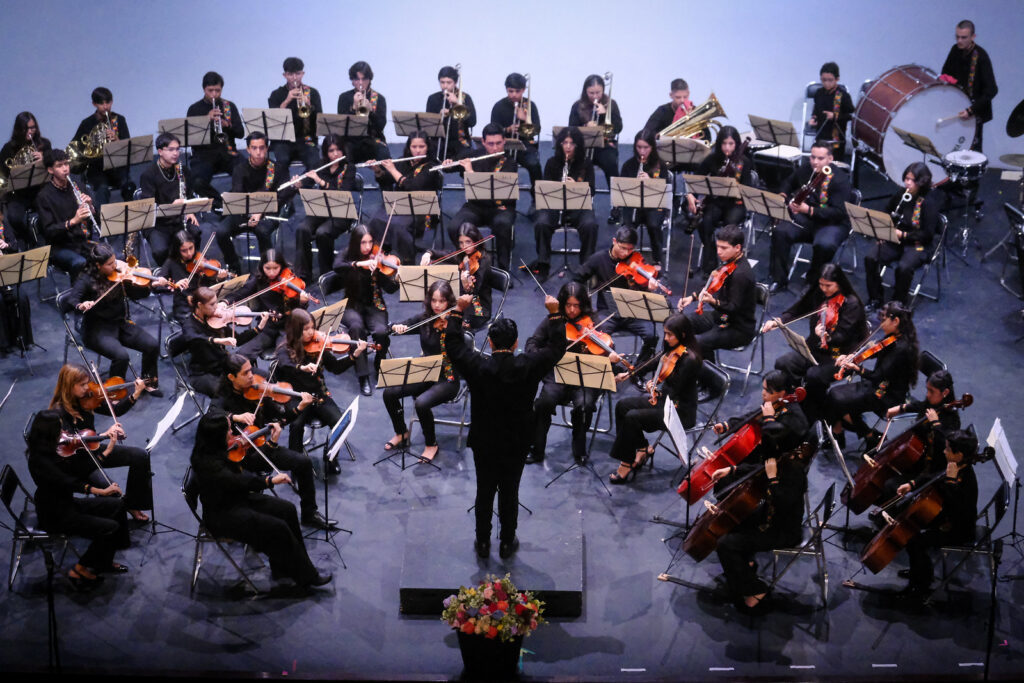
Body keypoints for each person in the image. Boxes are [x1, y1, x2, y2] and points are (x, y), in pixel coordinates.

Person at [446, 292, 565, 559]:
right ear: (516, 343)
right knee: (510, 491)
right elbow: (557, 348)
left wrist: (458, 310)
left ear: (490, 342)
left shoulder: (478, 366)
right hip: (517, 440)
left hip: (485, 440)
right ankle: (507, 542)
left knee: (484, 491)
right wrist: (555, 314)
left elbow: (453, 346)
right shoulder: (528, 366)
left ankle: (483, 541)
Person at [189, 411, 332, 590]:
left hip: (234, 499)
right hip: (222, 515)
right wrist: (269, 481)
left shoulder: (218, 450)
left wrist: (271, 444)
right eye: (229, 430)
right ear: (217, 436)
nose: (233, 433)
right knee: (278, 527)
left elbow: (251, 466)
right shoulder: (208, 463)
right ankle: (307, 576)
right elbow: (240, 481)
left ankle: (284, 569)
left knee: (287, 509)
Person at [708, 370, 810, 612]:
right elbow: (763, 466)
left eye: (767, 390)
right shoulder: (782, 457)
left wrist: (771, 478)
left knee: (726, 544)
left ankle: (756, 589)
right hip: (769, 516)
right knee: (731, 520)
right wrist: (733, 470)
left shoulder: (793, 470)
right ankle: (746, 566)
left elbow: (780, 502)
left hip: (781, 528)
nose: (762, 394)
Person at [212, 354, 336, 530]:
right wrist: (234, 417)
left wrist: (299, 407)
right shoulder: (223, 397)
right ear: (231, 377)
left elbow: (282, 419)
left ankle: (309, 514)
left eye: (251, 370)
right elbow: (211, 415)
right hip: (239, 456)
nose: (251, 376)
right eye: (245, 373)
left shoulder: (257, 392)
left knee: (304, 462)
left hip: (261, 446)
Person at [27, 409, 130, 591]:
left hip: (66, 503)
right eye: (59, 429)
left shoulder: (52, 450)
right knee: (110, 528)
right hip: (55, 514)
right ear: (49, 433)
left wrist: (108, 449)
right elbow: (69, 482)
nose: (63, 433)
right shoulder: (40, 461)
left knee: (117, 505)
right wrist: (101, 490)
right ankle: (79, 569)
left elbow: (80, 471)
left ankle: (105, 558)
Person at [527, 281, 627, 465]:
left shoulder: (594, 321)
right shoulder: (554, 320)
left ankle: (579, 448)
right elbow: (532, 343)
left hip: (586, 378)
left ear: (583, 305)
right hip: (559, 374)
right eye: (568, 305)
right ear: (562, 303)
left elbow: (607, 348)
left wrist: (610, 358)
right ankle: (537, 449)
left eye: (576, 305)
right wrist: (545, 355)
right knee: (543, 403)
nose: (572, 310)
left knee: (584, 406)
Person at [762, 263, 867, 423]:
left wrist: (826, 335)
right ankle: (795, 401)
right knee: (783, 363)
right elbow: (799, 308)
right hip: (815, 348)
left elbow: (843, 335)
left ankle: (814, 412)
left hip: (838, 355)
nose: (824, 289)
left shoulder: (851, 304)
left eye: (828, 285)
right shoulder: (819, 292)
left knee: (814, 376)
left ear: (839, 283)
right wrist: (779, 321)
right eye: (821, 284)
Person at [49, 364, 153, 522]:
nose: (87, 388)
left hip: (94, 448)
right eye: (82, 385)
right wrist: (104, 435)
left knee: (140, 456)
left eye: (87, 383)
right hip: (79, 462)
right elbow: (74, 442)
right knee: (113, 492)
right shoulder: (58, 412)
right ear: (69, 385)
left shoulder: (87, 398)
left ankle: (133, 504)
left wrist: (136, 393)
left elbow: (116, 411)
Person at [607, 314, 701, 484]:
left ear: (682, 334)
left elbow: (675, 391)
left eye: (670, 334)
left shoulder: (690, 360)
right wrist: (630, 374)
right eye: (665, 333)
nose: (665, 338)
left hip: (679, 411)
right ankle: (642, 448)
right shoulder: (672, 348)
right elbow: (653, 362)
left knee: (632, 417)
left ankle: (626, 463)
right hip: (664, 401)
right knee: (622, 406)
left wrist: (653, 388)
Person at [66, 242, 165, 395]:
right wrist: (82, 305)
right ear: (98, 265)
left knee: (151, 344)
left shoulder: (119, 274)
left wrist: (152, 286)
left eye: (114, 261)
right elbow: (72, 300)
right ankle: (115, 392)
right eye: (109, 264)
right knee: (121, 356)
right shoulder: (86, 279)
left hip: (119, 323)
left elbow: (135, 294)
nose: (115, 266)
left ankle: (148, 381)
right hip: (97, 329)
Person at [275, 308, 364, 469]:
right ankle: (296, 464)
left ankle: (330, 457)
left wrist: (354, 355)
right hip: (297, 397)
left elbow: (335, 367)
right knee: (296, 426)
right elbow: (285, 365)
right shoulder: (284, 348)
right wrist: (302, 367)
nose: (311, 332)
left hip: (318, 394)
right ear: (296, 330)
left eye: (312, 327)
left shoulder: (318, 344)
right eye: (306, 329)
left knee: (339, 422)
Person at [384, 281, 462, 463]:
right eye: (434, 300)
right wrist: (396, 327)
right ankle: (401, 432)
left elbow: (462, 338)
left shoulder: (454, 322)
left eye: (442, 301)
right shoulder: (425, 319)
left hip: (447, 377)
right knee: (389, 393)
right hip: (426, 371)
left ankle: (431, 444)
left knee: (421, 403)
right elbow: (397, 326)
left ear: (449, 302)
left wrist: (455, 320)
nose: (437, 305)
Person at [574, 226, 663, 386]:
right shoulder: (599, 259)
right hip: (607, 312)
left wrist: (649, 286)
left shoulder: (636, 260)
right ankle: (611, 372)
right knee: (598, 340)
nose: (625, 253)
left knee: (652, 335)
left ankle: (637, 371)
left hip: (633, 312)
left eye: (630, 249)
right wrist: (581, 299)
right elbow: (577, 279)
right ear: (614, 241)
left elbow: (646, 280)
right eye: (622, 248)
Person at [899, 430, 980, 601]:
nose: (944, 451)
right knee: (911, 527)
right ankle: (918, 571)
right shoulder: (955, 465)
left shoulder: (966, 480)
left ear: (959, 454)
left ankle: (922, 585)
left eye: (948, 449)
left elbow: (958, 510)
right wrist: (912, 484)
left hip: (958, 528)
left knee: (916, 541)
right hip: (946, 516)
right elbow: (933, 476)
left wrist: (950, 481)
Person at [826, 301, 920, 449]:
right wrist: (851, 356)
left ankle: (869, 436)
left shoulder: (901, 349)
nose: (881, 324)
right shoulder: (893, 337)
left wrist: (857, 368)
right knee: (836, 396)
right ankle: (845, 433)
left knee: (837, 398)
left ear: (895, 321)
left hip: (887, 394)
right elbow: (873, 350)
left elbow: (878, 375)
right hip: (879, 385)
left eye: (884, 320)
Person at [769, 141, 851, 292]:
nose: (815, 162)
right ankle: (778, 279)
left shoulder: (840, 179)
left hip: (832, 223)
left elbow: (839, 213)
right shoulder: (807, 169)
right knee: (780, 232)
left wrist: (809, 210)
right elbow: (789, 182)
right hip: (808, 219)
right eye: (813, 157)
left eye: (820, 158)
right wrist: (783, 195)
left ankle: (813, 282)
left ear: (830, 159)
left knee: (824, 245)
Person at [213, 132, 298, 274]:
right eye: (254, 148)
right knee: (221, 232)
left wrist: (294, 187)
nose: (258, 152)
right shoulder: (240, 169)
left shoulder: (277, 169)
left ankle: (268, 269)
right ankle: (234, 266)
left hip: (269, 213)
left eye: (262, 148)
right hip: (243, 212)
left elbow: (283, 196)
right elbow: (238, 195)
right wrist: (251, 212)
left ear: (267, 148)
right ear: (248, 149)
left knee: (262, 231)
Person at [874, 369, 963, 504]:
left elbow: (943, 447)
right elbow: (922, 405)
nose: (927, 395)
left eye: (931, 391)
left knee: (891, 485)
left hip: (928, 467)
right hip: (916, 457)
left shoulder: (952, 420)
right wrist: (901, 408)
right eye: (927, 390)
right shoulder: (934, 403)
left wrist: (935, 424)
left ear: (945, 392)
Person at [332, 225, 399, 396]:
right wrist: (358, 264)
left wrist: (394, 278)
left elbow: (391, 289)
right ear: (356, 242)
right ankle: (363, 376)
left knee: (381, 332)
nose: (368, 247)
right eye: (363, 243)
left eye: (370, 242)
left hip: (374, 305)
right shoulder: (348, 255)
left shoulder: (377, 259)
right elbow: (337, 266)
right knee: (356, 328)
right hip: (352, 305)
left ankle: (379, 363)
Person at [864, 162, 940, 309]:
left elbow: (927, 234)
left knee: (904, 267)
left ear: (922, 182)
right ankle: (875, 298)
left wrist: (903, 234)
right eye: (906, 178)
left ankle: (898, 304)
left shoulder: (929, 202)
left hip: (918, 244)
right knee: (871, 257)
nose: (908, 183)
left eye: (912, 180)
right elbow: (887, 212)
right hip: (897, 239)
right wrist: (882, 232)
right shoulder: (902, 194)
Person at [677, 224, 756, 365]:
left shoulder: (741, 274)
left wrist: (713, 302)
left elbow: (733, 308)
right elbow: (713, 284)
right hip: (722, 317)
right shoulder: (729, 263)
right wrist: (692, 297)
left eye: (724, 248)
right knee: (681, 324)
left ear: (737, 248)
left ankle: (709, 374)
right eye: (718, 246)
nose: (718, 252)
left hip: (738, 327)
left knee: (699, 342)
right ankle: (695, 366)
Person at [444, 123, 518, 270]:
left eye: (498, 143)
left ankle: (503, 269)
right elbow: (451, 167)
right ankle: (473, 261)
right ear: (483, 142)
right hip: (475, 207)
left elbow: (505, 195)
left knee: (503, 224)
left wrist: (471, 173)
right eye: (490, 144)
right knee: (454, 227)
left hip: (500, 207)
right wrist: (448, 164)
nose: (495, 148)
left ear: (504, 141)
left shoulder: (510, 162)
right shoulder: (473, 155)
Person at [530, 127, 598, 278]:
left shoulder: (586, 163)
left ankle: (586, 267)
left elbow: (592, 190)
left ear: (578, 145)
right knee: (541, 223)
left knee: (590, 225)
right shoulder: (552, 162)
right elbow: (544, 189)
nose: (568, 147)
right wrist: (557, 187)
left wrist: (576, 187)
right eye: (564, 143)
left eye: (571, 143)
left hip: (579, 206)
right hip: (554, 206)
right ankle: (543, 264)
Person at [180, 286, 271, 397]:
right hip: (204, 372)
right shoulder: (189, 324)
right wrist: (217, 340)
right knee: (233, 393)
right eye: (212, 304)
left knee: (264, 377)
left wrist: (259, 328)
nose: (216, 307)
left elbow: (238, 340)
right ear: (200, 305)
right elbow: (193, 337)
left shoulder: (216, 319)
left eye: (216, 302)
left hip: (224, 364)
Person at [222, 248, 309, 360]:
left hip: (288, 328)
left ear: (281, 266)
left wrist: (302, 302)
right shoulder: (259, 279)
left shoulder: (290, 279)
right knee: (241, 356)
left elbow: (300, 313)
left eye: (276, 268)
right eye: (267, 268)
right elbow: (243, 291)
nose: (272, 273)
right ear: (262, 266)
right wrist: (225, 302)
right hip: (267, 327)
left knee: (285, 356)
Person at [292, 134, 357, 281]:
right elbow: (306, 185)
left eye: (338, 150)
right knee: (302, 229)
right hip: (320, 210)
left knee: (323, 232)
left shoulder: (349, 168)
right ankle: (303, 275)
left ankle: (326, 274)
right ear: (326, 152)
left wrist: (320, 181)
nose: (335, 154)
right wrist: (299, 185)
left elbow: (343, 192)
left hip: (342, 213)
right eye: (331, 151)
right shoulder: (320, 165)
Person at [692, 126, 754, 277]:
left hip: (736, 204)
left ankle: (729, 265)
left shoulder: (744, 161)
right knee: (704, 223)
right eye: (724, 143)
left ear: (736, 144)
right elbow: (696, 178)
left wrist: (734, 186)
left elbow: (748, 188)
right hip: (717, 201)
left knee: (729, 226)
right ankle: (711, 263)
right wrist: (690, 196)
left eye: (731, 144)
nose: (727, 148)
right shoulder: (713, 159)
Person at [372, 132, 442, 264]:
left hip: (421, 210)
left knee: (399, 226)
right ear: (409, 147)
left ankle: (407, 260)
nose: (417, 150)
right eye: (414, 147)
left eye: (421, 146)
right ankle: (383, 259)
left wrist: (393, 170)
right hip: (399, 205)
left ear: (428, 147)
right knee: (376, 221)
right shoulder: (403, 162)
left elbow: (413, 186)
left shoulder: (432, 166)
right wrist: (378, 170)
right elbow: (387, 180)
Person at [138, 132, 201, 265]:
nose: (176, 153)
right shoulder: (149, 175)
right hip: (158, 224)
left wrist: (190, 210)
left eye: (177, 149)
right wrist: (171, 207)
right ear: (160, 151)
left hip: (179, 218)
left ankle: (191, 267)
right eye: (171, 149)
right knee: (160, 250)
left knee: (195, 232)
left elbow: (189, 195)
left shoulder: (182, 170)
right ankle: (169, 271)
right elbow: (149, 208)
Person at [420, 222, 493, 332]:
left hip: (478, 307)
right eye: (461, 243)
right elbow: (445, 254)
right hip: (462, 302)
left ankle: (456, 341)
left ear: (475, 240)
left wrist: (466, 284)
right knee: (436, 311)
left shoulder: (484, 260)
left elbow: (474, 292)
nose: (464, 247)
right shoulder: (463, 256)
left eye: (468, 242)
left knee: (447, 319)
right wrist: (429, 253)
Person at [35, 149, 96, 279]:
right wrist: (73, 221)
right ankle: (80, 292)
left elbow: (94, 220)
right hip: (60, 247)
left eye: (66, 164)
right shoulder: (44, 196)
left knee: (107, 255)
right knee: (80, 262)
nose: (65, 169)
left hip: (82, 241)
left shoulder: (78, 186)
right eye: (59, 166)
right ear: (50, 170)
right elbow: (49, 231)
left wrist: (90, 207)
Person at [186, 71, 245, 204]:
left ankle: (232, 201)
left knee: (246, 172)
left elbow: (241, 133)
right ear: (204, 89)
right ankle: (220, 205)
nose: (214, 94)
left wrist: (227, 125)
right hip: (204, 156)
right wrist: (206, 119)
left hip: (228, 152)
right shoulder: (194, 109)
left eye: (217, 90)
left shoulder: (229, 106)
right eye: (210, 90)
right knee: (196, 182)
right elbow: (191, 139)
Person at [940, 20, 998, 152]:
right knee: (952, 148)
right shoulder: (955, 50)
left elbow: (992, 90)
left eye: (964, 37)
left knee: (972, 151)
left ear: (973, 37)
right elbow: (945, 72)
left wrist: (971, 110)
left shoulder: (981, 57)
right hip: (956, 107)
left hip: (974, 110)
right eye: (957, 37)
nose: (959, 41)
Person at [71, 87, 133, 208]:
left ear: (112, 102)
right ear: (94, 104)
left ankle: (132, 214)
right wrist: (92, 144)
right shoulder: (87, 123)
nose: (105, 107)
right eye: (101, 103)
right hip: (97, 169)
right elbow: (75, 148)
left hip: (117, 167)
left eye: (108, 102)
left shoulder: (119, 120)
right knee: (102, 190)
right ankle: (101, 217)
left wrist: (116, 139)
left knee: (129, 185)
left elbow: (128, 146)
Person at [618, 129, 673, 265]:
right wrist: (634, 184)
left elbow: (666, 191)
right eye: (639, 147)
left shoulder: (660, 165)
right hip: (633, 205)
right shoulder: (628, 165)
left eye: (645, 147)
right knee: (627, 228)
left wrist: (651, 182)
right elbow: (621, 189)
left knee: (654, 225)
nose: (642, 151)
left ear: (652, 147)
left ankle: (657, 259)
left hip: (655, 205)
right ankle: (624, 256)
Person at [0, 111, 52, 247]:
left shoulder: (44, 144)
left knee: (49, 211)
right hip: (18, 194)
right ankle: (27, 241)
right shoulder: (8, 148)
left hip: (39, 190)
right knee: (14, 217)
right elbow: (3, 174)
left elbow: (54, 166)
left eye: (32, 128)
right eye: (26, 129)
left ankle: (45, 244)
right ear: (19, 129)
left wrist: (44, 160)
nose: (30, 132)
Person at [160, 229, 232, 324]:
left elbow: (210, 284)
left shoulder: (200, 258)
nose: (189, 253)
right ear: (177, 250)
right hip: (184, 306)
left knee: (221, 318)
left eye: (191, 248)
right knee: (199, 324)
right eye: (184, 251)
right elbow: (158, 284)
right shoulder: (171, 262)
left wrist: (219, 278)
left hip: (205, 302)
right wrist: (172, 284)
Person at [490, 73, 541, 199]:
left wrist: (525, 119)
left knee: (534, 164)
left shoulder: (530, 105)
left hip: (525, 146)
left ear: (523, 90)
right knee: (500, 166)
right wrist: (507, 129)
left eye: (517, 91)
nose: (513, 95)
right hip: (504, 147)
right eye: (510, 91)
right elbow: (492, 130)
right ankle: (500, 198)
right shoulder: (499, 106)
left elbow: (537, 131)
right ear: (506, 89)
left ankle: (537, 196)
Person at [568, 74, 622, 193]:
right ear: (585, 91)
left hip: (605, 145)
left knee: (611, 163)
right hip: (583, 146)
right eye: (591, 93)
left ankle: (616, 197)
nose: (595, 96)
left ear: (603, 90)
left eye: (598, 92)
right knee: (577, 164)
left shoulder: (611, 104)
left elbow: (618, 128)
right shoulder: (577, 106)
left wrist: (605, 114)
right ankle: (578, 194)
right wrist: (585, 127)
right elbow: (571, 129)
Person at [268, 57, 322, 174]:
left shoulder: (312, 93)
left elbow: (319, 122)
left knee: (315, 163)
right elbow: (273, 121)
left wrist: (309, 105)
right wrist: (287, 100)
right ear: (284, 75)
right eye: (290, 74)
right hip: (283, 140)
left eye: (297, 74)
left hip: (306, 139)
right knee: (281, 162)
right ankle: (285, 185)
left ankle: (301, 183)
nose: (294, 78)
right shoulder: (276, 94)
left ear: (303, 74)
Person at [336, 61, 390, 165]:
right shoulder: (344, 97)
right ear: (352, 80)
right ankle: (348, 175)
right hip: (351, 141)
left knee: (384, 156)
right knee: (343, 156)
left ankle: (383, 174)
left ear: (369, 79)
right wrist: (353, 108)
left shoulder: (379, 98)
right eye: (357, 79)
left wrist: (371, 111)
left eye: (364, 79)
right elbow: (342, 126)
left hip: (373, 140)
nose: (360, 83)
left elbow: (380, 127)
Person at [0, 211, 35, 354]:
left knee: (21, 297)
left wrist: (6, 245)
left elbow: (15, 246)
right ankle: (4, 343)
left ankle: (24, 339)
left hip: (7, 272)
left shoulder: (3, 224)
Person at [426, 65, 477, 162]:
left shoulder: (465, 98)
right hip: (439, 143)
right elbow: (429, 126)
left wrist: (457, 103)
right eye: (442, 82)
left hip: (460, 142)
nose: (445, 86)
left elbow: (472, 122)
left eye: (449, 82)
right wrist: (439, 117)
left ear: (455, 82)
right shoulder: (433, 99)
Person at [808, 62, 854, 160]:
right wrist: (813, 117)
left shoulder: (842, 95)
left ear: (837, 79)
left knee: (832, 164)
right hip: (821, 135)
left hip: (836, 139)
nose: (826, 83)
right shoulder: (819, 93)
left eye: (830, 80)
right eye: (823, 80)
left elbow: (851, 115)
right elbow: (816, 109)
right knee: (819, 161)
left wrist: (835, 116)